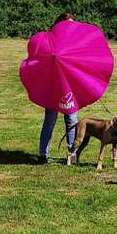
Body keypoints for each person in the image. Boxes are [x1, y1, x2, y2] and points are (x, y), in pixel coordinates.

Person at [37, 12, 79, 163]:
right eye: (67, 24)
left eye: (73, 24)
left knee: (72, 119)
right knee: (50, 120)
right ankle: (43, 154)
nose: (70, 27)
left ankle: (72, 155)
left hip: (69, 86)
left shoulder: (76, 41)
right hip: (53, 85)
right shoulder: (51, 39)